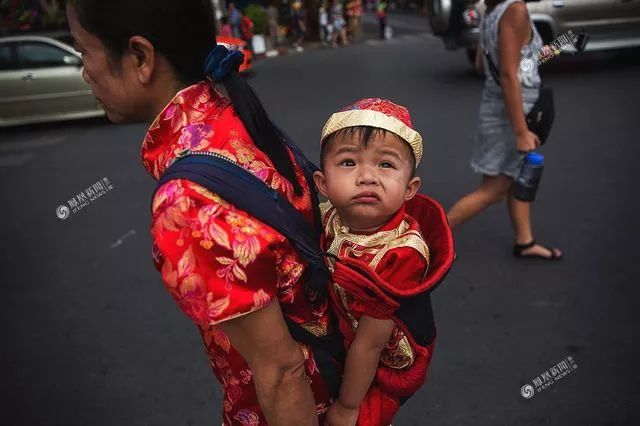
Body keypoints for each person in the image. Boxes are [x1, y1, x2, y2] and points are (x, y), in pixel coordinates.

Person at [65, 0, 336, 424]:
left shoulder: (187, 198)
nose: (85, 71)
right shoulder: (230, 112)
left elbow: (281, 372)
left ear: (140, 56)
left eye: (84, 51)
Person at [313, 99, 436, 425]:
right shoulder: (329, 214)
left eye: (386, 165)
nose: (367, 176)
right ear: (322, 184)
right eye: (349, 162)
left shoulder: (401, 254)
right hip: (345, 331)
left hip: (387, 360)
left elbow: (370, 345)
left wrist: (348, 407)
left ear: (410, 189)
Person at [447, 0, 562, 260]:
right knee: (496, 187)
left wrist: (556, 47)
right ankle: (424, 239)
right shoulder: (515, 10)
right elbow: (510, 74)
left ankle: (525, 241)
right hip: (511, 111)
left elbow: (486, 65)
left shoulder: (492, 11)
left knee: (516, 175)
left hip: (498, 104)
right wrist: (521, 131)